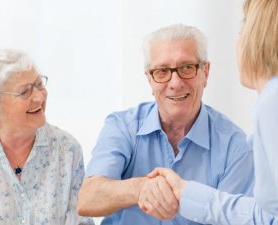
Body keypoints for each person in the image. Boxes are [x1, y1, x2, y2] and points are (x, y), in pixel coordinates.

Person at [77, 24, 254, 225]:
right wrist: (140, 188)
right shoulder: (122, 126)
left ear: (205, 72)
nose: (175, 82)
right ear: (149, 79)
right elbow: (87, 199)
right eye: (162, 71)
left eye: (186, 67)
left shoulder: (236, 147)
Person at [141, 0, 278, 224]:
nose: (175, 83)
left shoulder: (271, 102)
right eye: (163, 71)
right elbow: (267, 216)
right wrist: (184, 192)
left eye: (241, 31)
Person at [0, 49, 94, 225]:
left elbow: (81, 220)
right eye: (24, 92)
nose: (39, 97)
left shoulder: (67, 149)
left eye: (39, 84)